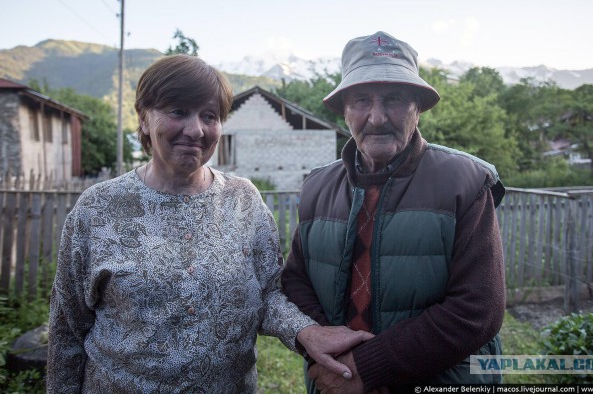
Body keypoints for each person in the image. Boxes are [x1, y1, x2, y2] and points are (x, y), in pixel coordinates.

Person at [47, 54, 372, 393]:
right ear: (144, 118)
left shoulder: (244, 200)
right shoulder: (98, 209)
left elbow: (269, 295)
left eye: (209, 116)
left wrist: (306, 332)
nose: (196, 130)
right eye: (177, 112)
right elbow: (67, 330)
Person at [282, 31, 506, 392]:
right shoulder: (317, 187)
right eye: (360, 100)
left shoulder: (464, 181)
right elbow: (295, 279)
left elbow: (478, 309)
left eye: (395, 99)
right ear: (344, 110)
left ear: (418, 106)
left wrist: (367, 367)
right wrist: (330, 352)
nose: (377, 117)